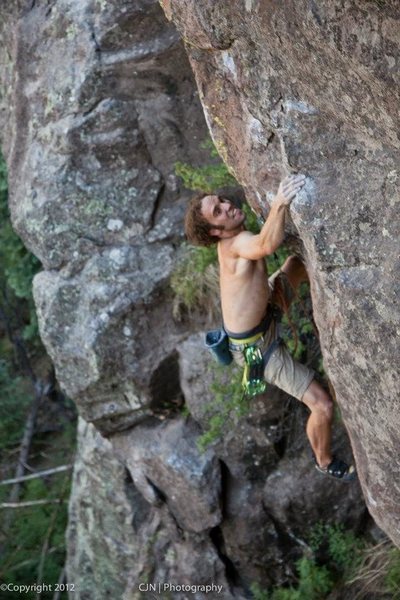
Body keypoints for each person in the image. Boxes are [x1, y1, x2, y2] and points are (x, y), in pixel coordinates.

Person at [184, 174, 355, 481]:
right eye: (218, 211)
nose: (226, 206)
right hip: (257, 348)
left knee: (298, 263)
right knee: (323, 404)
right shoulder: (233, 246)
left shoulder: (234, 239)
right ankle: (325, 460)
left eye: (221, 201)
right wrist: (280, 203)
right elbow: (264, 244)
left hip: (267, 311)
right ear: (214, 231)